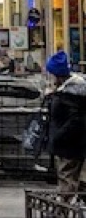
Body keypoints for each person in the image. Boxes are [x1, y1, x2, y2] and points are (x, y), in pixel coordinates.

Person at [45, 51, 86, 197]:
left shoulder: (70, 94)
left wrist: (59, 137)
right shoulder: (72, 91)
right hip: (72, 144)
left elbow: (75, 120)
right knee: (73, 181)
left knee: (66, 181)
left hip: (68, 146)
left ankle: (62, 212)